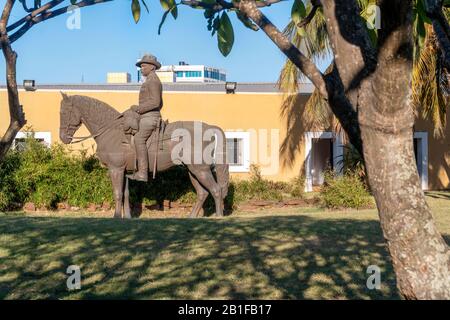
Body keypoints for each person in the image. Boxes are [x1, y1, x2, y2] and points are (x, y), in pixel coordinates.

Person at [128, 54, 163, 182]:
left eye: (143, 66)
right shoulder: (149, 80)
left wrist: (138, 108)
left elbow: (156, 102)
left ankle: (142, 172)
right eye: (141, 66)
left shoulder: (153, 81)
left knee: (138, 138)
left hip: (150, 118)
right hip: (145, 116)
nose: (141, 69)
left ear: (152, 67)